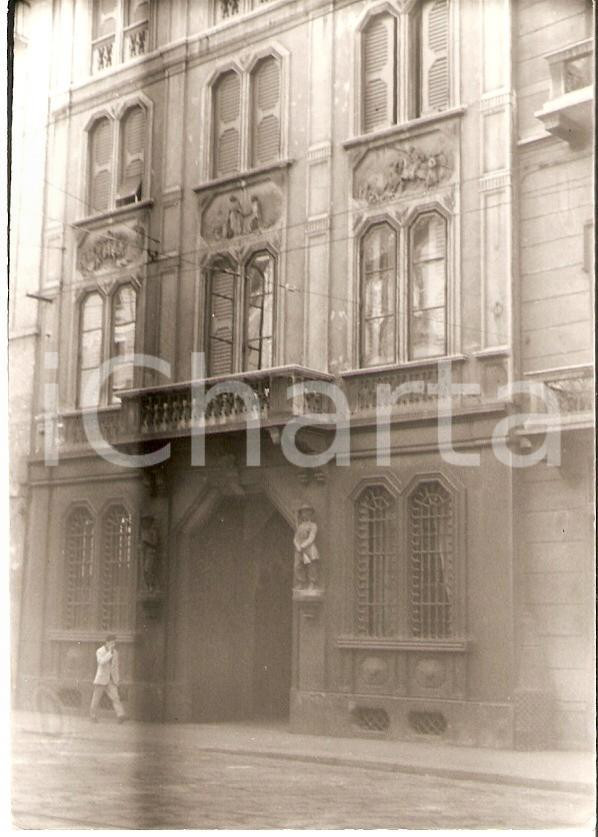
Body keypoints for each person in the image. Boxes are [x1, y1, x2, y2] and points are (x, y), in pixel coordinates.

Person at [89, 634, 126, 723]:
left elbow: (115, 667)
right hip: (101, 679)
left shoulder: (115, 652)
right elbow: (101, 662)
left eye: (114, 643)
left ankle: (121, 716)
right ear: (107, 642)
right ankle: (92, 716)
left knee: (115, 697)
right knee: (96, 699)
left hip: (111, 680)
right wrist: (109, 653)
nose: (113, 644)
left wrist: (117, 680)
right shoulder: (100, 651)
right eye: (112, 642)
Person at [293, 504, 320, 590]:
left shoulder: (313, 525)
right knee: (297, 566)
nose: (305, 514)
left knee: (311, 566)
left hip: (309, 548)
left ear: (311, 513)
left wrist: (303, 545)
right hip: (299, 549)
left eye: (307, 512)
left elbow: (311, 537)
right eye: (303, 512)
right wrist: (297, 546)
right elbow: (295, 538)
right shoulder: (300, 526)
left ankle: (312, 583)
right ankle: (301, 582)